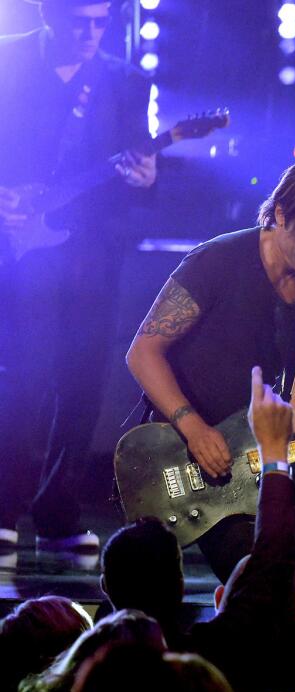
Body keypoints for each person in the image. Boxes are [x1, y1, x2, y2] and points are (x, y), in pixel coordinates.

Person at [125, 159, 295, 582]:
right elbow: (143, 352)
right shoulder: (216, 261)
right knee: (143, 594)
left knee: (265, 580)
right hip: (172, 451)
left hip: (245, 466)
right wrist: (194, 428)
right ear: (281, 214)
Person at [0, 0, 156, 552]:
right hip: (21, 257)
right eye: (79, 23)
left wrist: (146, 176)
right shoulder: (9, 63)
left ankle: (59, 515)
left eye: (100, 23)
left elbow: (137, 177)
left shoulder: (127, 82)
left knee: (83, 387)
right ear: (48, 13)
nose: (91, 34)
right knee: (22, 383)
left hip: (90, 258)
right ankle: (3, 508)